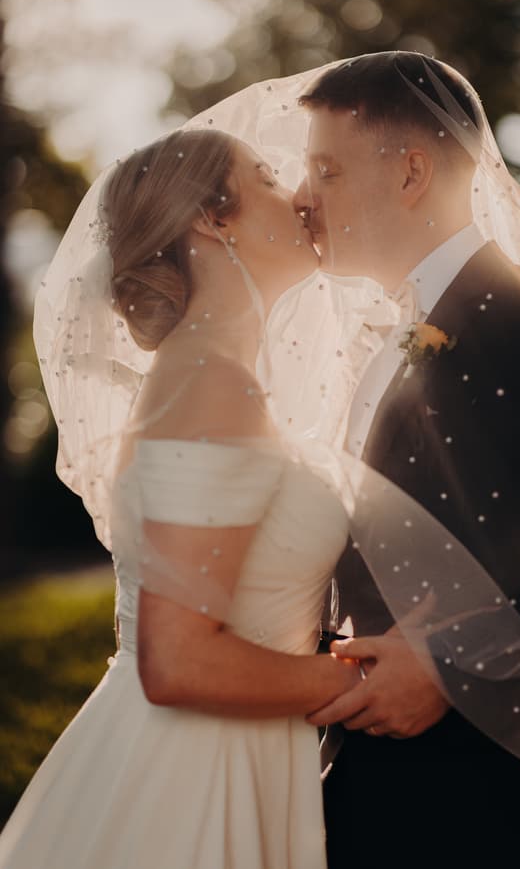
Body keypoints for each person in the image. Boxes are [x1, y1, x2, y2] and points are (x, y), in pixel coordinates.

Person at [0, 127, 363, 869]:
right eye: (266, 174)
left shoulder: (207, 371)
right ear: (213, 217)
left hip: (222, 749)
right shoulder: (210, 382)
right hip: (198, 775)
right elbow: (178, 663)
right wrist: (361, 681)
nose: (296, 193)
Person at [292, 51, 520, 866]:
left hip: (495, 809)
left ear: (411, 174)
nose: (301, 198)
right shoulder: (383, 338)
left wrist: (448, 668)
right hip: (381, 788)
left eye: (325, 168)